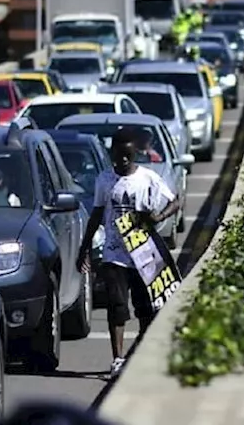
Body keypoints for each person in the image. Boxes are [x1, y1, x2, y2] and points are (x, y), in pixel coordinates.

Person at [76, 128, 180, 377]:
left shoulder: (148, 178)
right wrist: (85, 248)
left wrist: (159, 216)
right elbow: (97, 214)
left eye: (127, 156)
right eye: (118, 156)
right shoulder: (104, 179)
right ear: (112, 154)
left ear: (134, 154)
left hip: (143, 253)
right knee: (117, 307)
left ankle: (141, 355)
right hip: (114, 255)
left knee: (145, 308)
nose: (122, 161)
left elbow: (175, 201)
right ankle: (118, 359)